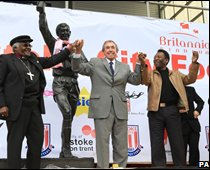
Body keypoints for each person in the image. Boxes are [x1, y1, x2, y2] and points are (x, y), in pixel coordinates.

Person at [0, 35, 77, 169]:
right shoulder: (7, 60)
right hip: (17, 108)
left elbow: (51, 60)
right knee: (15, 143)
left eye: (30, 45)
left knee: (36, 141)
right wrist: (1, 105)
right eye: (25, 45)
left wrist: (68, 50)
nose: (29, 48)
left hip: (34, 107)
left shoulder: (33, 59)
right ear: (15, 47)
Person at [71, 40, 147, 168]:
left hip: (120, 108)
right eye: (107, 48)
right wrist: (78, 52)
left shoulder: (124, 66)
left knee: (121, 144)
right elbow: (78, 68)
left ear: (116, 51)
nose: (110, 49)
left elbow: (136, 80)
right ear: (103, 51)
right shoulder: (95, 62)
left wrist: (138, 63)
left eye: (112, 47)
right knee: (102, 143)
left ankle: (119, 168)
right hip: (101, 108)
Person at [36, 1, 88, 158]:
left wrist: (76, 53)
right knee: (66, 112)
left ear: (70, 32)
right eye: (61, 30)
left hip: (74, 83)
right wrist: (42, 13)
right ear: (58, 33)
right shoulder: (54, 44)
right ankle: (67, 151)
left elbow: (84, 65)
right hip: (60, 82)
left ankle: (65, 151)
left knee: (69, 118)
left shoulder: (76, 48)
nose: (64, 32)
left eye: (67, 30)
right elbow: (44, 30)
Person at [141, 49, 200, 167]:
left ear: (166, 60)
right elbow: (145, 80)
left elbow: (190, 79)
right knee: (156, 143)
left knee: (177, 142)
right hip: (155, 111)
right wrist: (143, 64)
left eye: (159, 57)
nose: (156, 58)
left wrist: (194, 64)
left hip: (172, 111)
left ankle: (180, 166)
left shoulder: (176, 74)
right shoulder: (151, 74)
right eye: (155, 57)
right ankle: (159, 167)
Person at [179, 86, 204, 167]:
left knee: (194, 149)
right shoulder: (172, 90)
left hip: (193, 125)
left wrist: (197, 110)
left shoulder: (190, 89)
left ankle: (195, 166)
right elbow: (169, 107)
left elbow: (200, 102)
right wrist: (177, 110)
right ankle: (181, 166)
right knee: (181, 150)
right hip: (180, 125)